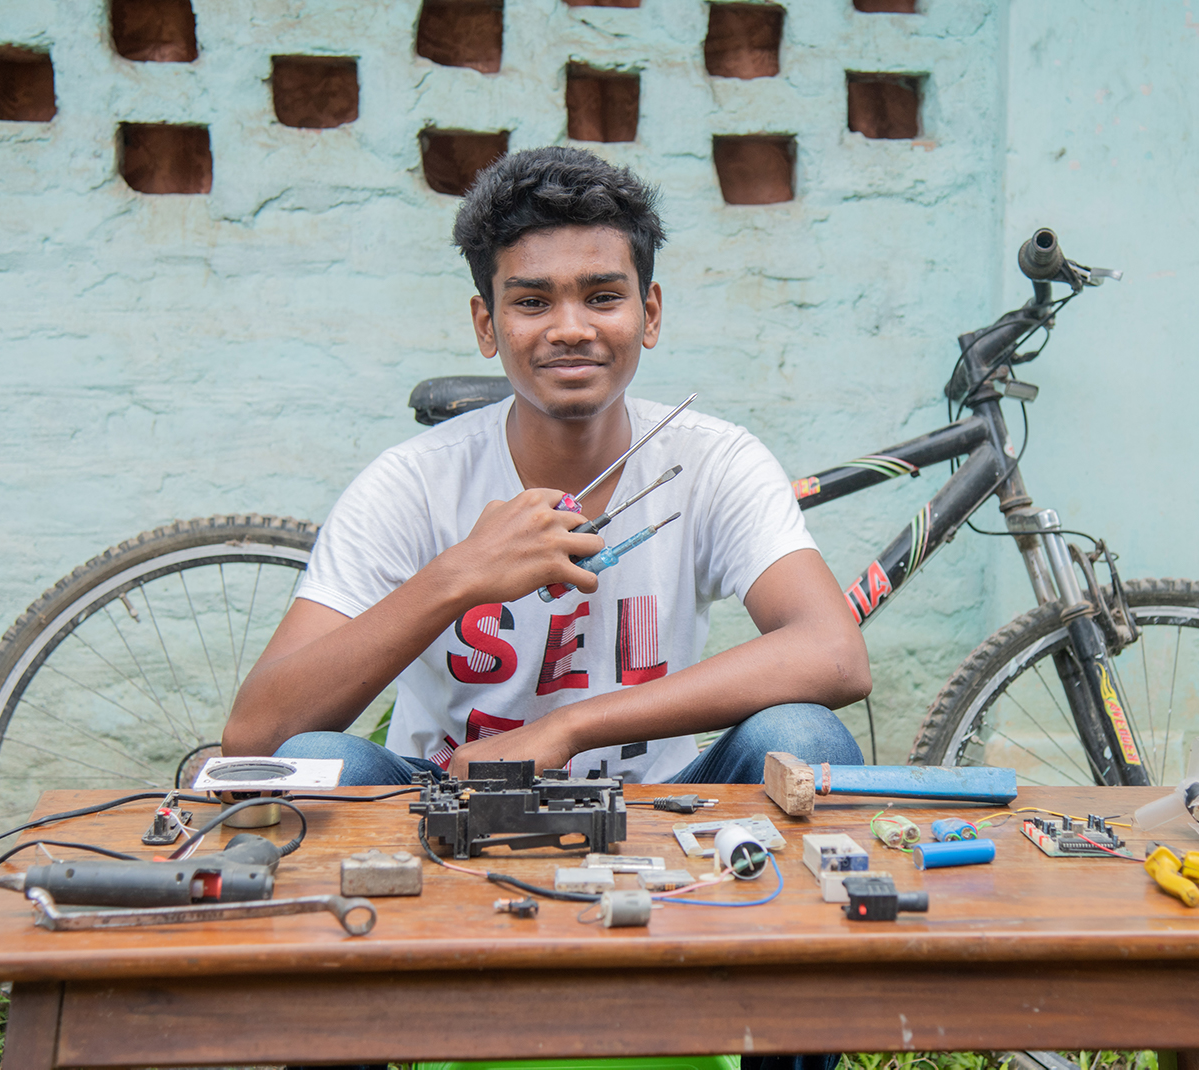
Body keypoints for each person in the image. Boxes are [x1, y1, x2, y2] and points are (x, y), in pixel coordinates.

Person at [224, 145, 869, 791]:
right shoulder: (412, 483)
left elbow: (835, 655)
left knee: (801, 737)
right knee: (320, 760)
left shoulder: (713, 460)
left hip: (656, 810)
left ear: (648, 315)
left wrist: (566, 729)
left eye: (603, 296)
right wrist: (460, 575)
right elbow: (258, 737)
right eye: (532, 302)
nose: (569, 328)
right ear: (487, 324)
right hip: (449, 802)